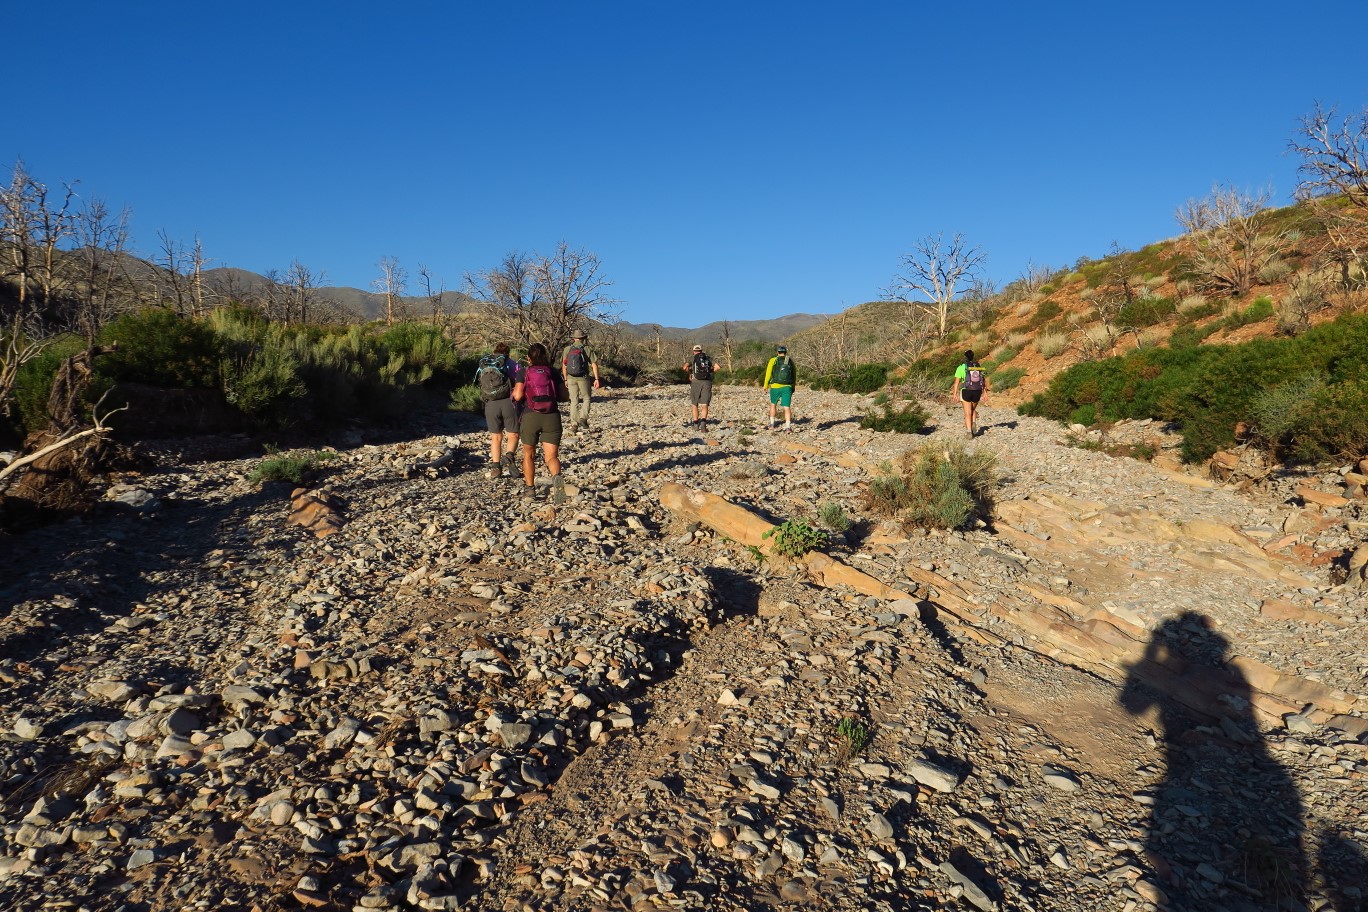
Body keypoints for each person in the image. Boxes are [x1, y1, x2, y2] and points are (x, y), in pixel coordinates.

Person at [511, 342, 568, 503]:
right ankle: (557, 482)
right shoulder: (553, 372)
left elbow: (517, 396)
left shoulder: (524, 372)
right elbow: (565, 396)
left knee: (528, 454)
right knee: (551, 456)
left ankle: (530, 490)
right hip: (552, 417)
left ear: (529, 358)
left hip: (531, 416)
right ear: (545, 356)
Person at [475, 342, 521, 480]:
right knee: (513, 434)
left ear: (494, 352)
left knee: (495, 437)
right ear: (508, 352)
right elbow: (520, 379)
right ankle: (509, 456)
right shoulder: (510, 363)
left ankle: (496, 468)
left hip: (490, 404)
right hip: (508, 402)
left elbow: (478, 381)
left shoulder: (484, 363)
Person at [560, 330, 601, 432]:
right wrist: (596, 379)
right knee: (586, 398)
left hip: (570, 378)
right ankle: (583, 418)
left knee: (574, 400)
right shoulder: (586, 349)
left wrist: (565, 378)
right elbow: (594, 364)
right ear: (583, 338)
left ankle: (574, 424)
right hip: (583, 378)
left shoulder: (567, 349)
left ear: (573, 338)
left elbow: (564, 366)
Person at [951, 349, 990, 437]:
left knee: (967, 413)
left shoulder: (961, 367)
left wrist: (955, 394)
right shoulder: (978, 366)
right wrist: (985, 393)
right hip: (977, 391)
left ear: (965, 357)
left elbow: (957, 382)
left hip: (966, 391)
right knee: (973, 409)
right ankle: (974, 422)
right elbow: (983, 380)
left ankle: (969, 432)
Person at [762, 344, 796, 431]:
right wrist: (793, 386)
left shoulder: (773, 360)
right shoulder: (790, 361)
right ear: (785, 352)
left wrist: (765, 385)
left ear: (778, 352)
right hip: (787, 387)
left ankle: (772, 424)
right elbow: (794, 374)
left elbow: (768, 374)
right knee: (786, 407)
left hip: (775, 386)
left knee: (773, 404)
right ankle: (788, 427)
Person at [682, 344, 714, 427]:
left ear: (693, 351)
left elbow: (684, 367)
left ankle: (696, 423)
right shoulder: (707, 358)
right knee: (704, 404)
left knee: (694, 404)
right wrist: (709, 373)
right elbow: (717, 367)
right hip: (707, 382)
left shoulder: (692, 358)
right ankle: (703, 422)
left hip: (695, 381)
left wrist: (690, 373)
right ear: (701, 351)